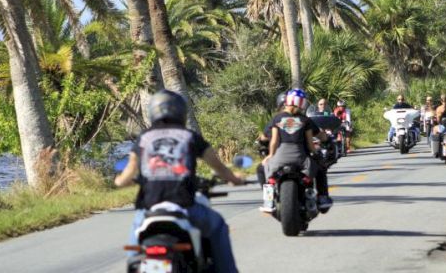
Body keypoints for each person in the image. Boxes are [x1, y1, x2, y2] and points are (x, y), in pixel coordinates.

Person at [114, 90, 244, 273]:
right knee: (218, 225)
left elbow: (127, 174)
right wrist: (234, 179)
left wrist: (120, 181)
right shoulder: (190, 136)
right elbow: (218, 167)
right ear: (181, 112)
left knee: (137, 234)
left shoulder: (144, 138)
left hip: (150, 208)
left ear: (153, 112)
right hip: (184, 206)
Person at [262, 89, 333, 211]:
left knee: (269, 178)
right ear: (301, 103)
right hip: (300, 158)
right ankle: (322, 198)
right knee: (320, 168)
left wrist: (270, 156)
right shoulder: (305, 120)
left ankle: (268, 201)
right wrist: (316, 154)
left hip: (280, 158)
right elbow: (311, 145)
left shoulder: (277, 119)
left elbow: (273, 141)